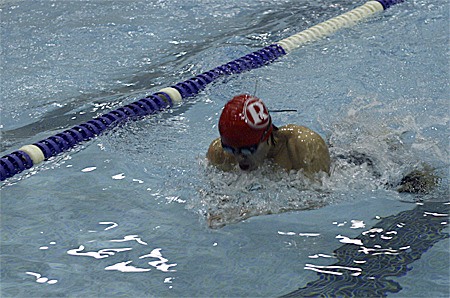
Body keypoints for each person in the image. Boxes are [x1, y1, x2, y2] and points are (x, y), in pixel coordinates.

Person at [206, 94, 330, 176]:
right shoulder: (220, 154)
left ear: (266, 136)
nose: (238, 158)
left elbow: (319, 201)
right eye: (230, 148)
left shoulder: (304, 148)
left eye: (247, 150)